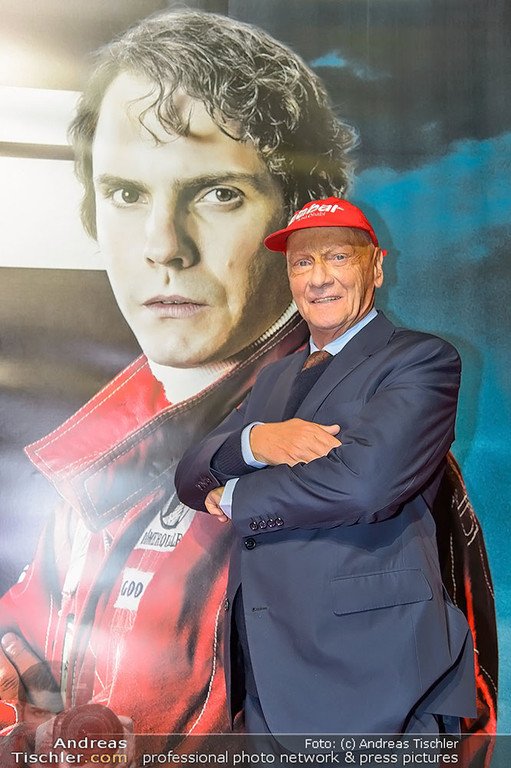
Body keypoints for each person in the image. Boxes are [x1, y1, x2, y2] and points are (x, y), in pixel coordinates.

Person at [0, 7, 496, 761]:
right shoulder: (112, 451)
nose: (164, 247)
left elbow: (358, 489)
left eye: (217, 193)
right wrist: (36, 729)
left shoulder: (405, 377)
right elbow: (28, 637)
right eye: (126, 193)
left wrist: (232, 492)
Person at [175, 198, 477, 737]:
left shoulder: (420, 359)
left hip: (374, 674)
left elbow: (363, 484)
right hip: (267, 673)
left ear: (376, 267)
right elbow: (191, 473)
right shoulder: (275, 377)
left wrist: (238, 495)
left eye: (337, 257)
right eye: (302, 263)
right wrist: (257, 441)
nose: (318, 279)